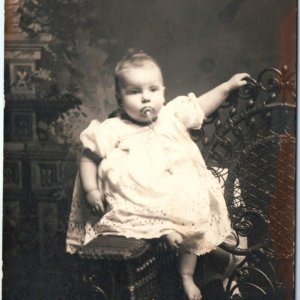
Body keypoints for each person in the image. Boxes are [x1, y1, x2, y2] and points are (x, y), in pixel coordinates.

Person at [66, 49, 249, 300]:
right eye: (134, 92)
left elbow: (199, 106)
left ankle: (187, 275)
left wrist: (226, 87)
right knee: (148, 215)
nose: (145, 98)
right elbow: (89, 158)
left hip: (174, 197)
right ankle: (162, 232)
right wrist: (91, 190)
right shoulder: (113, 128)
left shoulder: (170, 117)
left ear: (163, 91)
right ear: (119, 99)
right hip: (138, 201)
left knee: (192, 221)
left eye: (153, 90)